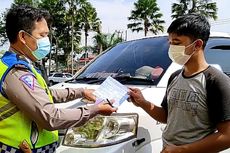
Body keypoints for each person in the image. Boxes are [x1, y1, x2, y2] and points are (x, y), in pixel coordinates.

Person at [0, 4, 116, 152]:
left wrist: (81, 92)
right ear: (23, 36)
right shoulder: (17, 72)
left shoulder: (19, 65)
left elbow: (44, 94)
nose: (46, 41)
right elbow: (51, 117)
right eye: (42, 35)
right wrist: (95, 110)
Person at [129, 14, 230, 153]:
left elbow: (227, 136)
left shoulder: (216, 81)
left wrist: (182, 150)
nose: (171, 48)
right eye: (170, 43)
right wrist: (142, 102)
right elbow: (166, 117)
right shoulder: (175, 77)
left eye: (176, 43)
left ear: (198, 45)